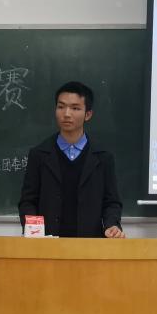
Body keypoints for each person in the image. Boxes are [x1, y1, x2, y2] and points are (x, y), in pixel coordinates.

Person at [18, 81, 124, 238]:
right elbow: (28, 201)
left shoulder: (103, 157)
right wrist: (34, 230)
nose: (66, 114)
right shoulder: (39, 154)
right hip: (48, 243)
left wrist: (112, 225)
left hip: (90, 244)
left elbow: (111, 202)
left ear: (88, 114)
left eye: (75, 108)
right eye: (61, 107)